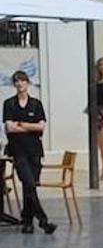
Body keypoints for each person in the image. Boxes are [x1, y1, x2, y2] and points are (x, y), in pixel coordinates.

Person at [4, 71, 56, 235]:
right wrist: (29, 126)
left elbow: (41, 126)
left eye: (22, 81)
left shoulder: (36, 104)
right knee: (29, 183)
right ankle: (43, 221)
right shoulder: (9, 104)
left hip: (34, 151)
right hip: (18, 151)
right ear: (14, 85)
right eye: (17, 82)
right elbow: (9, 127)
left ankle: (27, 221)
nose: (20, 84)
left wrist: (21, 124)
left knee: (29, 187)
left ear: (28, 83)